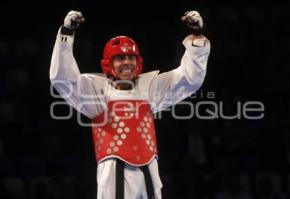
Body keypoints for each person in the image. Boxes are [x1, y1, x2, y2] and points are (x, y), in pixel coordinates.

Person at [50, 10, 211, 199]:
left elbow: (189, 79)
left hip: (149, 166)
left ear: (138, 61)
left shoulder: (149, 87)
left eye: (131, 57)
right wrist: (67, 34)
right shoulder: (96, 89)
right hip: (114, 168)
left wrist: (197, 36)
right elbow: (63, 79)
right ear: (108, 64)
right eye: (120, 58)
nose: (127, 62)